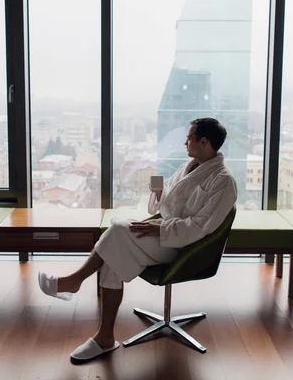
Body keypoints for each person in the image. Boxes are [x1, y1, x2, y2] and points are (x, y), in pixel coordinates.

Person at [38, 117, 237, 362]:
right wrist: (159, 196)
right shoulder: (188, 167)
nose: (185, 142)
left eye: (189, 137)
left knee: (119, 229)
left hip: (185, 249)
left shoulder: (223, 181)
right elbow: (166, 208)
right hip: (164, 233)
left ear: (203, 141)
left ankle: (75, 281)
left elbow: (201, 228)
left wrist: (161, 230)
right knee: (113, 254)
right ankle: (105, 338)